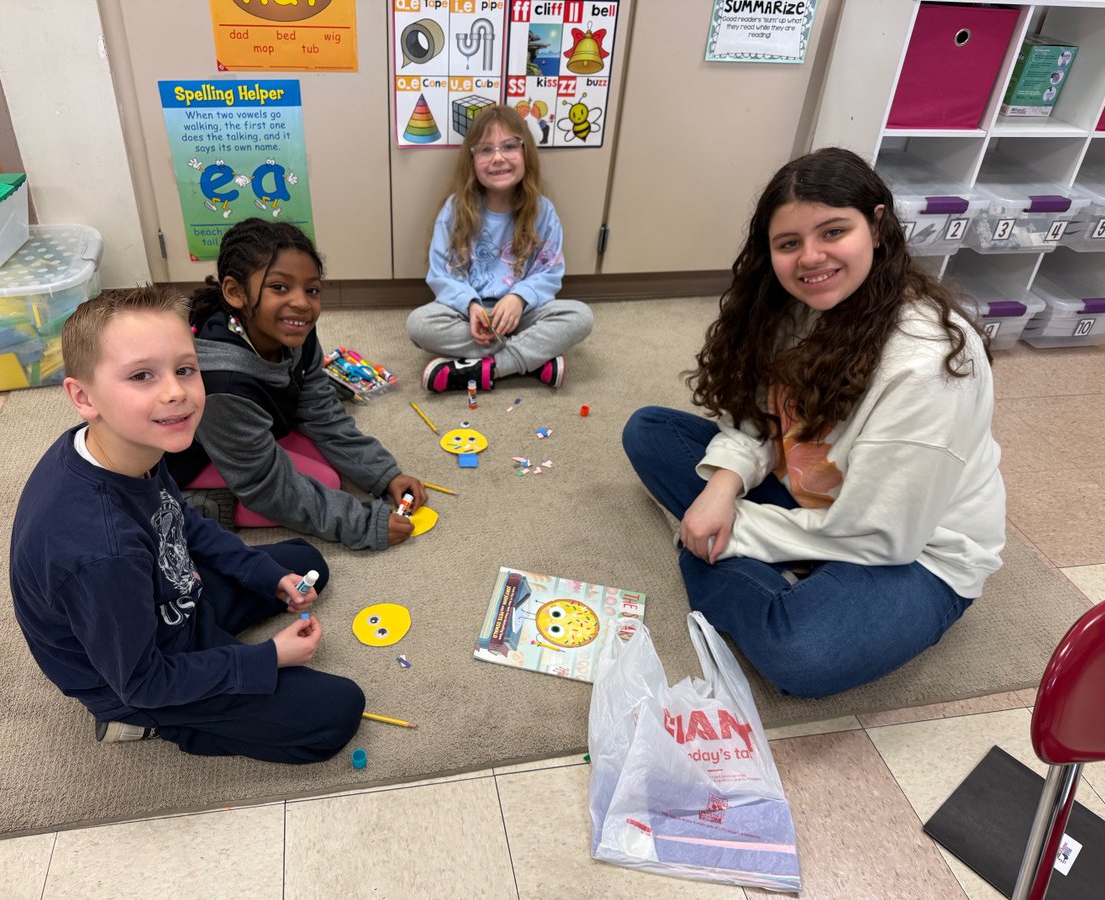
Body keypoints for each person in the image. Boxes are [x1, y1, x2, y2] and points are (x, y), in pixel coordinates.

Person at [622, 147, 1006, 699]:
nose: (810, 258)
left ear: (876, 226)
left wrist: (733, 529)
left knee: (801, 653)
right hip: (815, 501)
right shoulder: (799, 305)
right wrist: (724, 486)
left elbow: (884, 535)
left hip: (913, 551)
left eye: (832, 232)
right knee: (649, 432)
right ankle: (777, 559)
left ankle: (720, 559)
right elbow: (760, 418)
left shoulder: (926, 364)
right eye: (789, 243)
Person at [10, 287, 364, 763]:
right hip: (135, 680)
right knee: (338, 712)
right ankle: (148, 724)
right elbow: (144, 679)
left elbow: (180, 526)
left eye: (184, 369)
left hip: (162, 601)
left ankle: (218, 635)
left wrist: (266, 576)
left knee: (301, 562)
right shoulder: (101, 551)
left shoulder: (127, 443)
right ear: (83, 396)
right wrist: (267, 658)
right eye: (141, 375)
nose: (175, 391)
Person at [165, 218, 426, 550]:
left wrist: (383, 473)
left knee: (328, 469)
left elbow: (321, 410)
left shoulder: (294, 329)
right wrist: (357, 521)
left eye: (312, 289)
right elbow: (266, 486)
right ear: (235, 292)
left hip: (243, 429)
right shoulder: (223, 381)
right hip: (185, 459)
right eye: (279, 287)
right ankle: (186, 505)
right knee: (323, 482)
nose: (302, 303)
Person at [407, 104, 592, 394]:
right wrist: (471, 305)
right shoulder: (456, 209)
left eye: (509, 146)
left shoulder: (543, 211)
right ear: (472, 159)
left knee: (580, 317)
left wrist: (519, 298)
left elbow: (549, 273)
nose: (498, 158)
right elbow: (442, 273)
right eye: (485, 150)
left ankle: (488, 368)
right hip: (470, 316)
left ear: (525, 153)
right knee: (419, 325)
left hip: (525, 314)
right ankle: (533, 359)